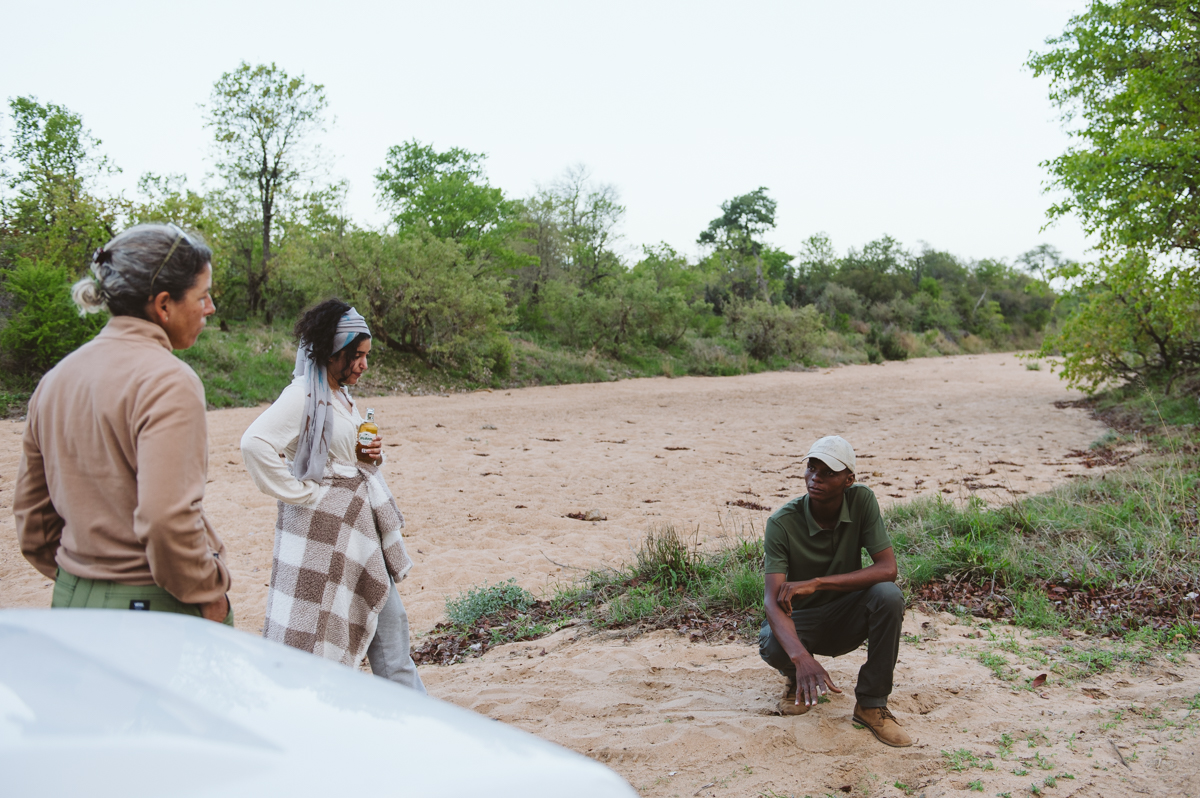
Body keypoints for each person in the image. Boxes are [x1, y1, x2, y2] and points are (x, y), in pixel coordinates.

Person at [14, 224, 232, 623]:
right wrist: (208, 592)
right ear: (164, 304)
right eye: (203, 296)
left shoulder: (56, 378)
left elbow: (33, 522)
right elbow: (166, 520)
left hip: (71, 598)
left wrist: (84, 581)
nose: (210, 307)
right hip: (153, 607)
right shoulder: (170, 380)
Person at [240, 298, 424, 692]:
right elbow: (254, 444)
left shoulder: (338, 394)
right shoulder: (304, 393)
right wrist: (302, 494)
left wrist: (371, 456)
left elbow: (346, 457)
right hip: (320, 542)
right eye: (356, 355)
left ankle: (416, 726)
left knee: (391, 632)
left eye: (366, 356)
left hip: (359, 537)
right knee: (323, 638)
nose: (363, 365)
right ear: (331, 351)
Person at [758, 435, 911, 747]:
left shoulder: (861, 500)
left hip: (846, 613)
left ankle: (870, 705)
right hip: (802, 619)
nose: (815, 478)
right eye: (811, 469)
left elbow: (887, 569)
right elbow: (772, 602)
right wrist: (800, 657)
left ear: (848, 480)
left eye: (828, 472)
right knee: (773, 643)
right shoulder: (781, 522)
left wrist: (818, 582)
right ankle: (797, 677)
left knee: (889, 596)